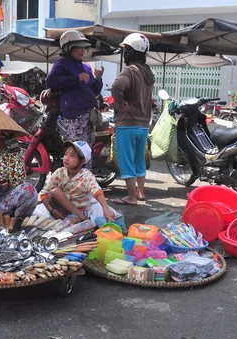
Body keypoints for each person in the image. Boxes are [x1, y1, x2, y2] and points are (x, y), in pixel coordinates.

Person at [45, 30, 104, 169]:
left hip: (89, 116)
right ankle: (74, 186)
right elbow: (50, 82)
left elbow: (94, 90)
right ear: (68, 47)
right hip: (74, 116)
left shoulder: (86, 67)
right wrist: (76, 79)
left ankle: (86, 183)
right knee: (77, 153)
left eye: (84, 47)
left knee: (87, 152)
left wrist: (98, 79)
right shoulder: (62, 63)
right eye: (79, 47)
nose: (83, 50)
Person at [111, 33, 155, 206]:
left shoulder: (130, 71)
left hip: (127, 123)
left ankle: (130, 197)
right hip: (143, 125)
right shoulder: (147, 72)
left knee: (126, 161)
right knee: (139, 160)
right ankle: (140, 193)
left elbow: (116, 86)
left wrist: (120, 105)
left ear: (130, 52)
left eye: (126, 49)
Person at [35, 141, 117, 224]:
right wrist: (52, 211)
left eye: (72, 156)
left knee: (72, 222)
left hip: (78, 211)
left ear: (82, 162)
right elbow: (43, 194)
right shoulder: (59, 172)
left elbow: (97, 191)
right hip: (59, 208)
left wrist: (105, 208)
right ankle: (84, 221)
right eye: (65, 154)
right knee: (55, 192)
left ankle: (84, 219)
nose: (66, 158)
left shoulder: (87, 176)